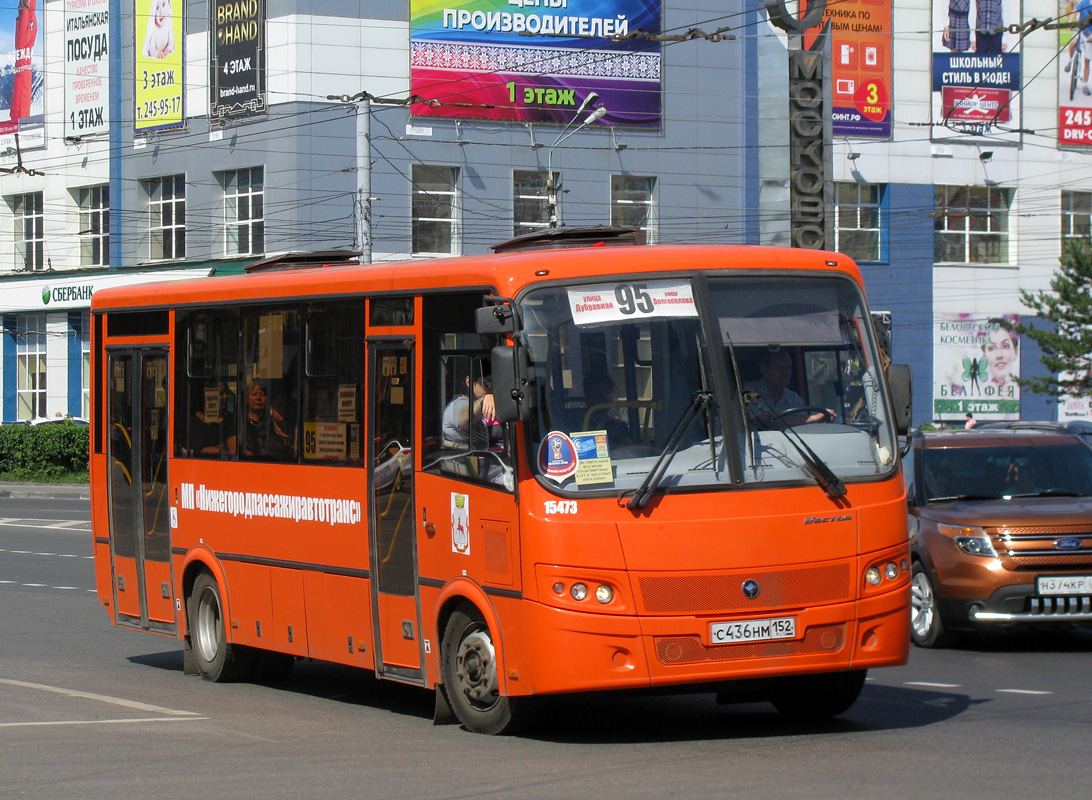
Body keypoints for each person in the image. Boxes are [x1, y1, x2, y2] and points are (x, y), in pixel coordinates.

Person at [744, 350, 829, 426]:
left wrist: (822, 418)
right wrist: (813, 418)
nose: (786, 372)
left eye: (789, 367)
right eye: (780, 368)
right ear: (764, 370)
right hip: (756, 443)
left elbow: (804, 427)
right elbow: (766, 419)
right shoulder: (749, 390)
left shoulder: (793, 398)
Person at [229, 380, 291, 458]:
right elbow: (234, 450)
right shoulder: (238, 422)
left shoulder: (272, 421)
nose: (258, 398)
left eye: (262, 394)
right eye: (254, 394)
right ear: (247, 399)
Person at [442, 373, 499, 448]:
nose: (491, 388)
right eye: (488, 382)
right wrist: (485, 399)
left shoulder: (490, 403)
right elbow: (467, 414)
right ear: (469, 382)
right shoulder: (455, 406)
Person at [10, 0, 38, 123]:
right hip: (22, 74)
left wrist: (25, 10)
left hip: (22, 76)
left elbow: (22, 33)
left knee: (20, 108)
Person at [1066, 0, 1092, 96]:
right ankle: (1070, 61)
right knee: (1073, 43)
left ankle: (1085, 85)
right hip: (1081, 29)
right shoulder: (1084, 3)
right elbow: (1075, 11)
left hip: (1090, 34)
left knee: (1087, 61)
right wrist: (1070, 23)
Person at [983, 321, 1017, 389]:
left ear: (1016, 353)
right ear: (984, 356)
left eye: (1006, 346)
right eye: (992, 348)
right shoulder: (977, 395)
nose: (999, 355)